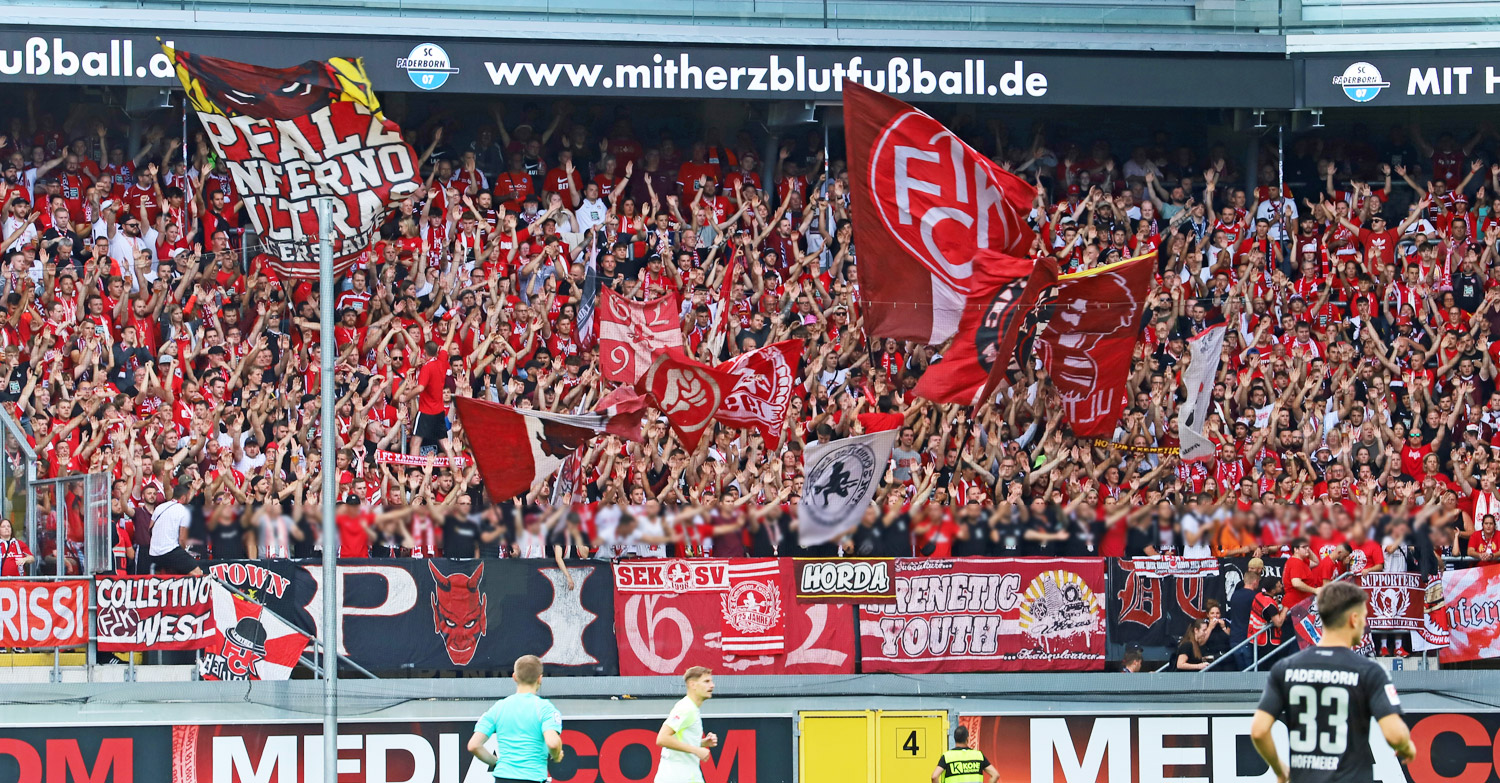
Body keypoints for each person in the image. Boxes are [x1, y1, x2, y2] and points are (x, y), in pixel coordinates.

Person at [1251, 581, 1416, 783]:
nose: (1366, 624)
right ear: (1353, 619)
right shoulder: (1369, 671)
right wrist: (1406, 747)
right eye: (1364, 617)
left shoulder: (1285, 669)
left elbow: (1259, 731)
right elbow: (1395, 735)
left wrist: (1279, 768)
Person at [467, 654, 564, 783]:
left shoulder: (498, 708)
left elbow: (474, 745)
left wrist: (496, 763)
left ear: (514, 677)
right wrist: (557, 756)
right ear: (540, 679)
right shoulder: (545, 709)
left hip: (503, 778)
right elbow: (552, 742)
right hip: (532, 778)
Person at [655, 666, 719, 783]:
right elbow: (662, 738)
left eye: (711, 681)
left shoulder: (691, 708)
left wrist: (703, 743)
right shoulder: (686, 708)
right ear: (692, 684)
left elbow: (679, 741)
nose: (712, 685)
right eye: (706, 681)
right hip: (678, 777)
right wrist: (696, 750)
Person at [148, 483, 202, 576]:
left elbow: (150, 528)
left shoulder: (160, 507)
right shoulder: (184, 511)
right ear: (184, 497)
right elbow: (182, 539)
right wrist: (184, 553)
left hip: (153, 553)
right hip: (169, 552)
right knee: (198, 573)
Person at [931, 725, 999, 783]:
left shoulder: (947, 756)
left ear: (955, 738)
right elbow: (995, 775)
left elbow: (934, 777)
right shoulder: (978, 755)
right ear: (967, 739)